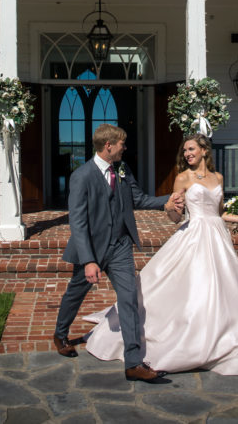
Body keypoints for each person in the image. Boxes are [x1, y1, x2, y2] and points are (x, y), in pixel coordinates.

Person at [84, 133, 238, 376]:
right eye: (185, 151)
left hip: (217, 237)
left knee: (222, 288)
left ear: (204, 150)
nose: (187, 154)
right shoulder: (182, 178)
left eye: (191, 149)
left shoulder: (219, 177)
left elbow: (219, 212)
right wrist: (172, 208)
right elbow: (174, 217)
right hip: (193, 235)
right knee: (192, 287)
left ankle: (223, 335)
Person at [53, 123, 185, 383]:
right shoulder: (82, 176)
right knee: (75, 293)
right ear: (108, 146)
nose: (125, 147)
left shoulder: (123, 170)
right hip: (91, 249)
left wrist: (166, 201)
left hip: (121, 246)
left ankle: (134, 362)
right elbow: (78, 223)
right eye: (122, 144)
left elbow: (138, 199)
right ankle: (60, 333)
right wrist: (89, 260)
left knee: (129, 298)